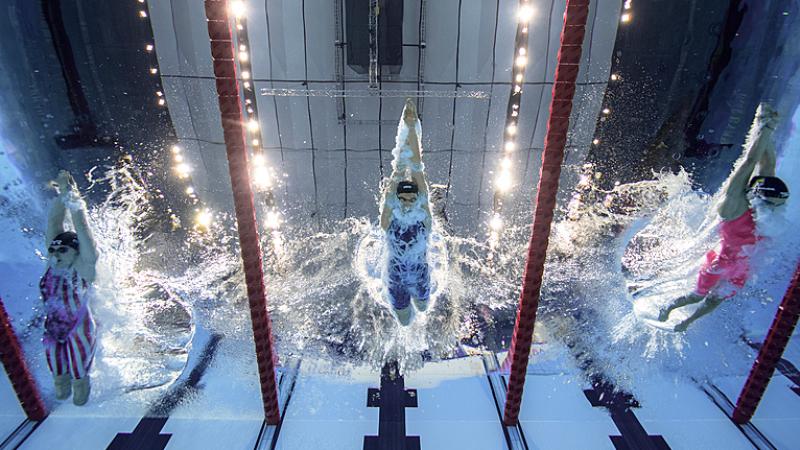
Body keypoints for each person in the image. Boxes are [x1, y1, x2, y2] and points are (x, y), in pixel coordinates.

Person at [657, 103, 789, 331]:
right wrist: (764, 127)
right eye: (776, 203)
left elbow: (767, 164)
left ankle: (687, 322)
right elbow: (749, 163)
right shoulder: (733, 207)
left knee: (715, 301)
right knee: (697, 296)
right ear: (759, 196)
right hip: (722, 264)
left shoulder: (763, 209)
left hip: (744, 266)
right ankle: (669, 308)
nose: (778, 208)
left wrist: (769, 128)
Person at [41, 170, 99, 405]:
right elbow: (54, 222)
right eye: (53, 251)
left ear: (75, 252)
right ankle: (65, 382)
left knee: (78, 388)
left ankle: (83, 385)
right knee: (60, 385)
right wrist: (60, 193)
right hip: (53, 327)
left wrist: (71, 195)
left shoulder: (84, 266)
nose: (55, 257)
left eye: (62, 251)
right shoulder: (54, 264)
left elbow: (82, 229)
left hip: (79, 327)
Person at [380, 99, 433, 326]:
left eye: (413, 198)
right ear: (397, 198)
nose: (409, 202)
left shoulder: (424, 218)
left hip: (421, 277)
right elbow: (399, 171)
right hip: (396, 281)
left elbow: (418, 170)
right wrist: (408, 129)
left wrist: (411, 130)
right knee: (403, 322)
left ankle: (420, 303)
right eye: (404, 198)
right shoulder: (388, 219)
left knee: (423, 307)